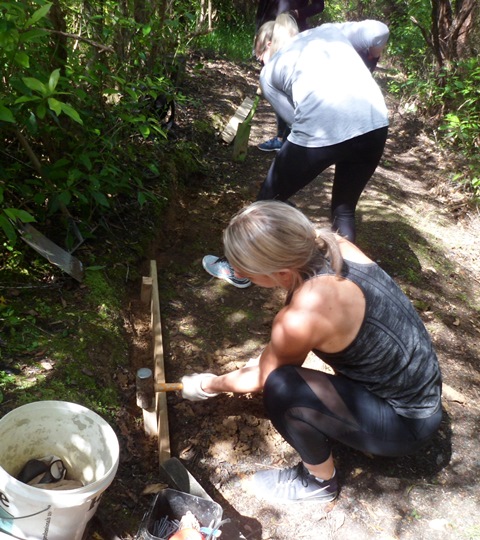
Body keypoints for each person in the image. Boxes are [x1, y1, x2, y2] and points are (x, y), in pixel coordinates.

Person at [183, 200, 443, 503]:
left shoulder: (303, 315)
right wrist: (270, 356)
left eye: (247, 272)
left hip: (405, 424)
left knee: (282, 387)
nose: (238, 273)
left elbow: (262, 378)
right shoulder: (334, 245)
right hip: (421, 395)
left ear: (282, 273)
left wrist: (207, 384)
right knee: (279, 372)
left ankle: (318, 482)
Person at [203, 16, 389, 288]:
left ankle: (238, 269)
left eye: (259, 56)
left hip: (323, 127)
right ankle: (345, 284)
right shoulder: (329, 31)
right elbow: (378, 31)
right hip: (375, 123)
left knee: (265, 201)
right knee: (344, 208)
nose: (260, 62)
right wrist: (371, 60)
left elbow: (293, 120)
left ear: (267, 45)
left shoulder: (269, 72)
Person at [255, 1, 326, 152]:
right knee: (276, 87)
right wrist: (259, 33)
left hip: (291, 31)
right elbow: (263, 7)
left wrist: (297, 14)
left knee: (291, 87)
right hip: (269, 31)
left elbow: (319, 5)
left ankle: (294, 137)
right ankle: (282, 137)